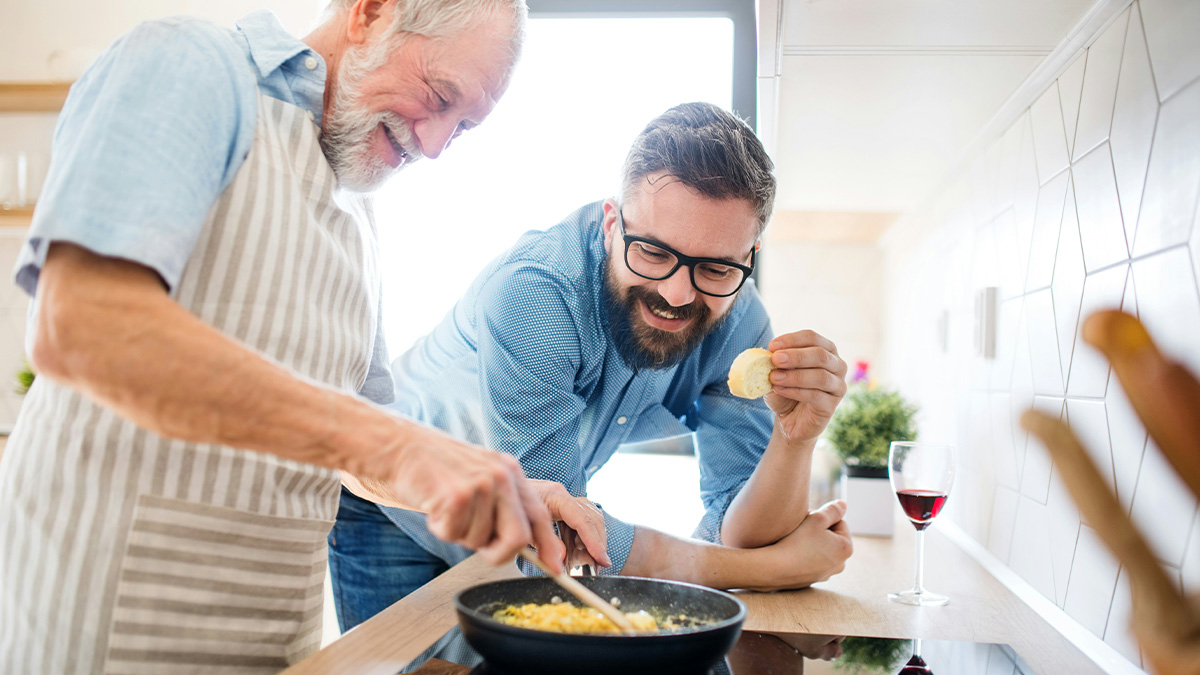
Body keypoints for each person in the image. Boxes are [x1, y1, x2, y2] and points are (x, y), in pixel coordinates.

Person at [0, 1, 569, 673]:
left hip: (275, 640)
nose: (438, 143)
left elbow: (365, 445)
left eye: (464, 127)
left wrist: (493, 486)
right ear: (371, 12)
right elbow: (83, 326)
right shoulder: (191, 64)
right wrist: (394, 442)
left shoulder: (359, 209)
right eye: (438, 97)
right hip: (104, 625)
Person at [330, 102, 856, 633]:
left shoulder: (740, 319)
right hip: (395, 514)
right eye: (652, 252)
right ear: (612, 224)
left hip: (520, 531)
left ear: (750, 254)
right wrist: (768, 570)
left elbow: (742, 526)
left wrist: (795, 439)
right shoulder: (536, 291)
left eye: (717, 267)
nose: (677, 294)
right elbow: (564, 536)